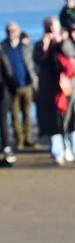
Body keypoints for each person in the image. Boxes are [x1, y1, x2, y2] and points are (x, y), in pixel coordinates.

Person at [34, 16, 75, 165]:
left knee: (72, 120)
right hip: (51, 89)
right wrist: (45, 46)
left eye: (53, 26)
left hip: (69, 88)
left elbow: (71, 54)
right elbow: (37, 60)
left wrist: (60, 41)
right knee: (53, 122)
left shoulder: (65, 41)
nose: (50, 29)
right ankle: (58, 153)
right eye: (48, 26)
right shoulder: (40, 44)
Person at [2, 22, 37, 150]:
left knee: (27, 113)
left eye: (14, 30)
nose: (12, 33)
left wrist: (34, 79)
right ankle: (19, 140)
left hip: (26, 84)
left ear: (18, 32)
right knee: (15, 115)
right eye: (9, 31)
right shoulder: (3, 48)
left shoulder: (25, 47)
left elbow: (33, 62)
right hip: (11, 87)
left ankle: (28, 138)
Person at [0, 47, 15, 166]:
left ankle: (6, 147)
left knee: (3, 121)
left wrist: (11, 89)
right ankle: (5, 147)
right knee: (3, 121)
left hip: (2, 92)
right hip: (4, 91)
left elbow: (8, 71)